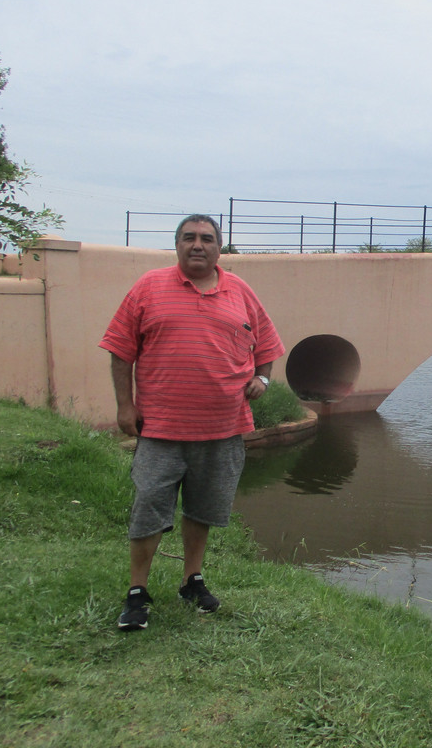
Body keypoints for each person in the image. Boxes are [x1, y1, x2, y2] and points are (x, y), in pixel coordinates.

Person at [100, 214, 285, 631]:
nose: (197, 245)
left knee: (203, 509)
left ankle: (191, 579)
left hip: (222, 429)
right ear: (177, 246)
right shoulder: (149, 286)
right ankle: (137, 591)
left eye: (206, 238)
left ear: (220, 248)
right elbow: (120, 349)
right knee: (149, 508)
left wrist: (262, 379)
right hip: (162, 428)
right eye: (188, 238)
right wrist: (124, 406)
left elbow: (268, 344)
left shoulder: (240, 291)